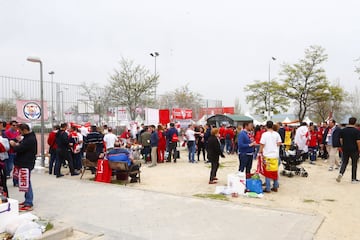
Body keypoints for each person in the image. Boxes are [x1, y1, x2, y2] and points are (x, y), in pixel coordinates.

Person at [9, 123, 37, 211]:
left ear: (24, 130)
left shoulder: (30, 139)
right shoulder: (26, 137)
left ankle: (29, 202)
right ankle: (27, 200)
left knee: (26, 182)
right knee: (24, 182)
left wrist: (14, 145)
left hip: (26, 163)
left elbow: (20, 149)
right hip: (23, 162)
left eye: (20, 131)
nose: (19, 133)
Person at [259, 121, 282, 193]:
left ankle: (268, 188)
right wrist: (274, 146)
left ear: (266, 126)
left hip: (267, 156)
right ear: (272, 126)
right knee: (274, 171)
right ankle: (275, 186)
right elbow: (279, 143)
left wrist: (260, 152)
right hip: (275, 156)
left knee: (267, 172)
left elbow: (262, 144)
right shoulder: (276, 134)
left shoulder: (264, 134)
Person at [336, 117, 360, 183]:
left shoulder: (343, 130)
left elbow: (341, 140)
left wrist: (343, 146)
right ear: (355, 122)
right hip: (354, 149)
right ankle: (353, 179)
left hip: (345, 148)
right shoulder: (357, 131)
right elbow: (358, 141)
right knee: (354, 164)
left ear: (348, 121)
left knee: (344, 162)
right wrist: (359, 149)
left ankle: (341, 173)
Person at [5, 120, 20, 185]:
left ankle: (15, 181)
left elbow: (19, 139)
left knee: (16, 168)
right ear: (10, 125)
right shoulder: (7, 132)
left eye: (16, 125)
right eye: (13, 125)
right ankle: (6, 175)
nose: (15, 126)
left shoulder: (17, 132)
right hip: (10, 152)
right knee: (10, 167)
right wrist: (14, 140)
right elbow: (7, 141)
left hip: (16, 151)